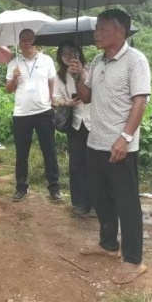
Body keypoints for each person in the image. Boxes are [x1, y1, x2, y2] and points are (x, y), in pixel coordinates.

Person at [69, 9, 150, 285]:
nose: (97, 33)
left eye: (103, 28)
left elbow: (140, 102)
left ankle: (134, 260)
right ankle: (108, 245)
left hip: (121, 146)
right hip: (95, 142)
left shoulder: (135, 60)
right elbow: (86, 97)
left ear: (121, 31)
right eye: (96, 29)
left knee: (127, 203)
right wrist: (78, 76)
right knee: (101, 198)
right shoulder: (97, 61)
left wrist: (125, 138)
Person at [5, 28, 61, 202]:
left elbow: (52, 83)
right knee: (22, 153)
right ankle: (21, 187)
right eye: (24, 40)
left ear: (35, 41)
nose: (27, 43)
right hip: (22, 113)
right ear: (19, 43)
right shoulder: (13, 63)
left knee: (49, 151)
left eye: (30, 39)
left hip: (44, 111)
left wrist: (52, 102)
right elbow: (8, 90)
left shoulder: (46, 60)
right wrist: (14, 78)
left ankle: (54, 187)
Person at [52, 41, 95, 218]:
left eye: (72, 51)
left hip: (94, 123)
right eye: (64, 53)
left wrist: (81, 73)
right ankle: (79, 202)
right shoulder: (60, 76)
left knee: (95, 165)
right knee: (76, 164)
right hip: (76, 124)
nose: (68, 56)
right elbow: (54, 98)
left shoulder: (91, 69)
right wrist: (66, 102)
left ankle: (96, 203)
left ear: (79, 52)